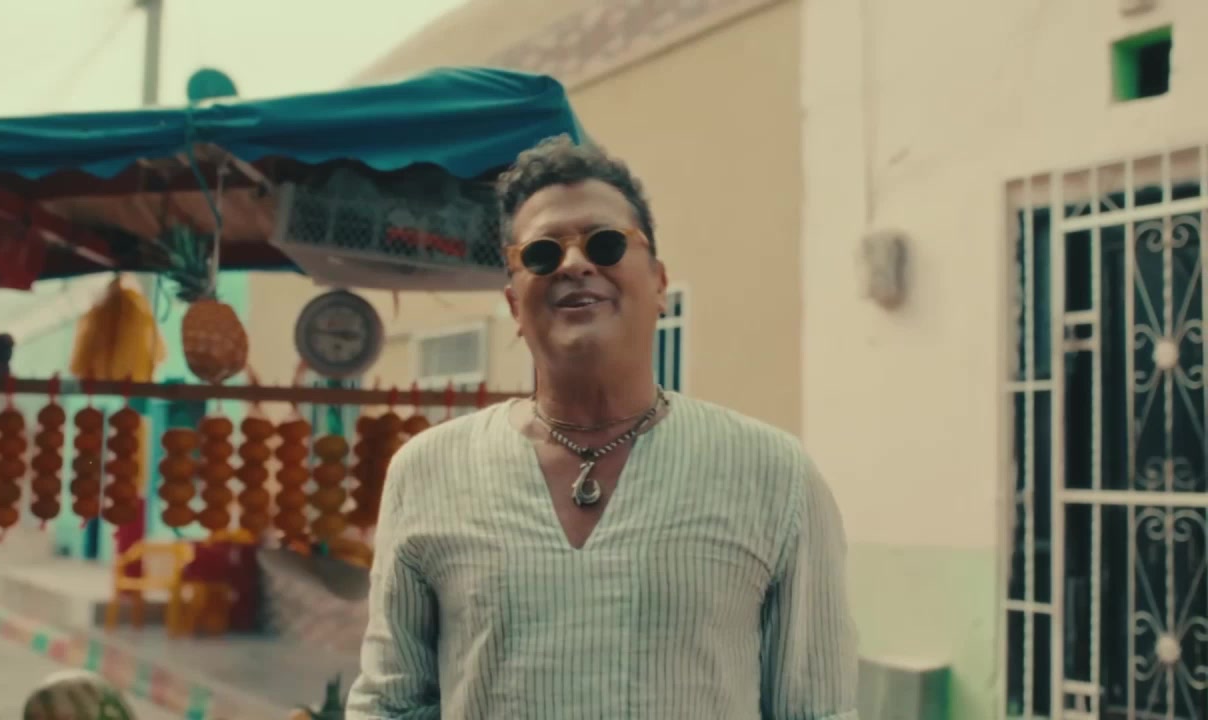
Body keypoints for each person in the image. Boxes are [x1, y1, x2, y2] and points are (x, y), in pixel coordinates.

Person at [348, 135, 859, 719]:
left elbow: (818, 710)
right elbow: (390, 705)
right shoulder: (428, 473)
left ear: (659, 284)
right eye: (542, 253)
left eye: (606, 243)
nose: (574, 264)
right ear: (514, 305)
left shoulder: (774, 477)